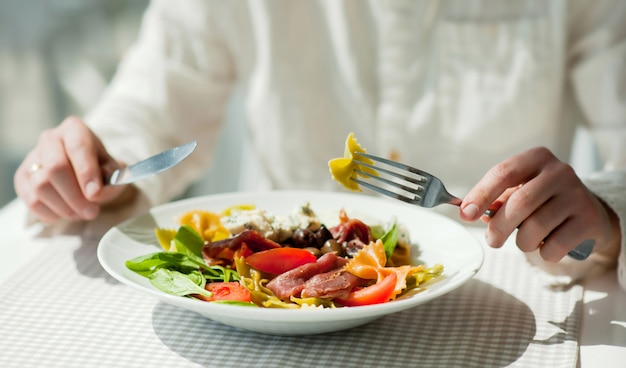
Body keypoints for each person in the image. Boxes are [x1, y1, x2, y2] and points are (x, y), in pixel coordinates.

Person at [13, 0, 626, 288]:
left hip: (516, 291)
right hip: (272, 316)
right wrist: (86, 160)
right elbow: (147, 111)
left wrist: (605, 211)